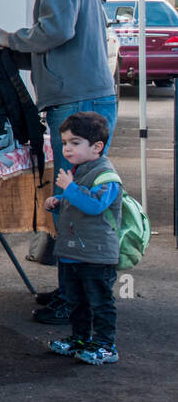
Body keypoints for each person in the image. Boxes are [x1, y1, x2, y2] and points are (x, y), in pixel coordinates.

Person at [0, 0, 117, 325]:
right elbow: (68, 37)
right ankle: (72, 289)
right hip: (83, 94)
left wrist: (11, 39)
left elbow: (57, 30)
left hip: (79, 99)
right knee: (71, 203)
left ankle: (78, 301)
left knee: (74, 206)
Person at [42, 112, 121, 364]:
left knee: (100, 302)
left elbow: (96, 204)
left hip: (97, 255)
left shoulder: (107, 176)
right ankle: (79, 338)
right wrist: (59, 202)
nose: (67, 148)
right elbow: (79, 201)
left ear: (97, 146)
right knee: (76, 300)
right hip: (73, 252)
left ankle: (105, 345)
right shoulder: (80, 170)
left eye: (75, 143)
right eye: (65, 142)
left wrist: (69, 189)